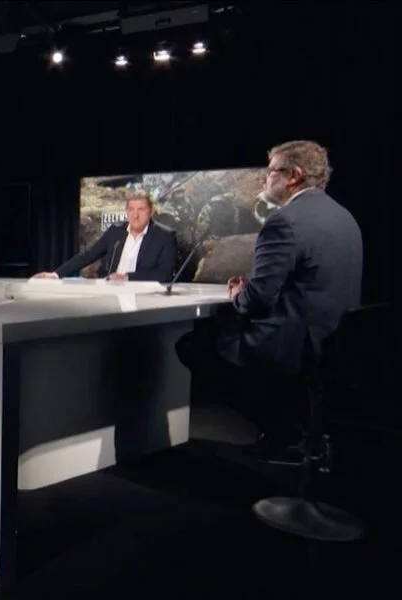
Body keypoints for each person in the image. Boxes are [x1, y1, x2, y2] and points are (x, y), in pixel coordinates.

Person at [176, 140, 363, 456]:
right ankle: (290, 426)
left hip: (292, 345)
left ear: (294, 176)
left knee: (193, 345)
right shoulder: (344, 216)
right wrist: (253, 286)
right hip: (333, 341)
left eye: (272, 170)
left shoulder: (284, 221)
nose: (265, 178)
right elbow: (310, 279)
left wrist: (240, 293)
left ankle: (282, 430)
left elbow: (257, 300)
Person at [33, 190, 178, 282]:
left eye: (141, 209)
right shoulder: (116, 231)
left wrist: (127, 278)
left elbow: (164, 273)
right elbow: (88, 255)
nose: (135, 215)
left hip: (146, 297)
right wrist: (56, 274)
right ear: (126, 211)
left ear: (151, 211)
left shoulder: (164, 236)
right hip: (113, 293)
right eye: (131, 209)